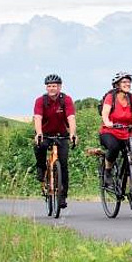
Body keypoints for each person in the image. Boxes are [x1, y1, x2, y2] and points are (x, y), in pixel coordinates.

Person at [33, 73, 77, 209]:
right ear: (46, 87)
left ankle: (63, 196)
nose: (52, 88)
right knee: (39, 146)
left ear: (60, 87)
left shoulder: (66, 100)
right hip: (45, 133)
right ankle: (41, 167)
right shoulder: (41, 100)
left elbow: (71, 118)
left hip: (61, 135)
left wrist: (73, 134)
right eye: (49, 86)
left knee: (63, 165)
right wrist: (39, 133)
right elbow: (38, 118)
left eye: (54, 86)